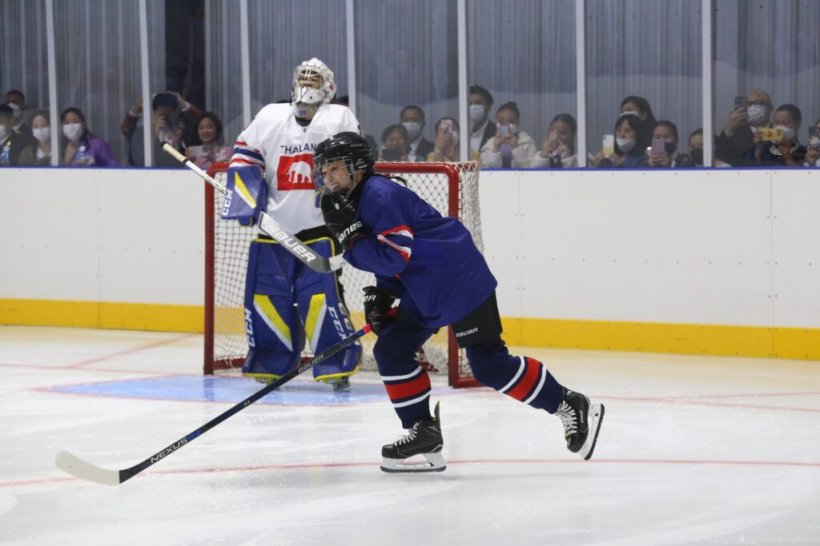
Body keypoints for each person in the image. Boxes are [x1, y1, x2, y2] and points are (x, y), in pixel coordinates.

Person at [313, 132, 604, 472]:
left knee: (488, 364)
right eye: (325, 171)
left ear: (358, 167)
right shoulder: (357, 201)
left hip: (456, 276)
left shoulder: (378, 194)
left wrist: (350, 244)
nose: (328, 178)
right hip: (423, 286)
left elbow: (393, 256)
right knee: (391, 349)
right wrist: (383, 293)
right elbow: (391, 261)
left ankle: (569, 403)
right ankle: (423, 432)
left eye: (335, 168)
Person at [221, 57, 362, 391]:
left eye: (315, 79)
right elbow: (245, 156)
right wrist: (246, 199)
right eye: (303, 78)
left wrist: (347, 209)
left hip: (320, 231)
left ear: (328, 87)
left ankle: (335, 362)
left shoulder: (338, 117)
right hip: (274, 229)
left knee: (321, 298)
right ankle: (271, 362)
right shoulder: (270, 116)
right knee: (267, 296)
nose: (308, 83)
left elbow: (352, 165)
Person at [121, 91, 203, 167]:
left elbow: (206, 123)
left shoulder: (183, 132)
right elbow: (139, 162)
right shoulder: (142, 132)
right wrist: (155, 137)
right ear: (154, 113)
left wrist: (185, 105)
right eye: (163, 116)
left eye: (171, 116)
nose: (167, 120)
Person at [714, 89, 774, 166]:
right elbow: (721, 156)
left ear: (770, 108)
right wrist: (729, 128)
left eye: (760, 103)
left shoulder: (778, 131)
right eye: (750, 103)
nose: (754, 107)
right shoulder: (736, 133)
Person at [480, 102, 536, 168]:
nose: (505, 124)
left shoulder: (528, 143)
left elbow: (530, 169)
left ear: (518, 122)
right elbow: (489, 171)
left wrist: (516, 147)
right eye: (501, 121)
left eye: (511, 121)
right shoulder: (489, 145)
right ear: (496, 122)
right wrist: (495, 149)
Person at [468, 85, 496, 160]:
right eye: (470, 103)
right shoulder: (463, 134)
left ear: (488, 106)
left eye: (478, 103)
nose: (473, 107)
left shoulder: (496, 132)